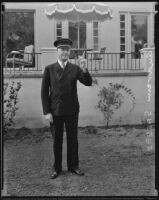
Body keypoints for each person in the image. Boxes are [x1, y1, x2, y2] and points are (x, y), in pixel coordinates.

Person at [41, 38, 92, 179]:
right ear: (57, 51)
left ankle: (73, 166)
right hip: (55, 111)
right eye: (62, 49)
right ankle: (56, 168)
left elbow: (88, 83)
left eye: (67, 50)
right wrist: (47, 112)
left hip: (71, 110)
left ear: (70, 52)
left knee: (72, 140)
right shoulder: (49, 69)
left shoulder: (75, 68)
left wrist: (84, 69)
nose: (65, 52)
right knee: (57, 141)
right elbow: (44, 92)